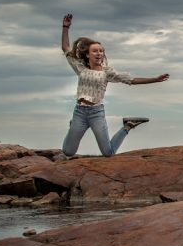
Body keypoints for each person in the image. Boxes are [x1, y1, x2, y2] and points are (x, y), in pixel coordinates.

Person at [60, 14, 169, 157]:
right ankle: (73, 126)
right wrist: (66, 27)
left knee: (108, 152)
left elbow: (132, 80)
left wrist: (155, 79)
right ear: (87, 54)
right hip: (79, 112)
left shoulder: (107, 72)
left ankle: (128, 126)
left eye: (101, 51)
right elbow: (65, 48)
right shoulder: (80, 67)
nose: (99, 53)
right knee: (68, 151)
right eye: (95, 51)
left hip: (96, 113)